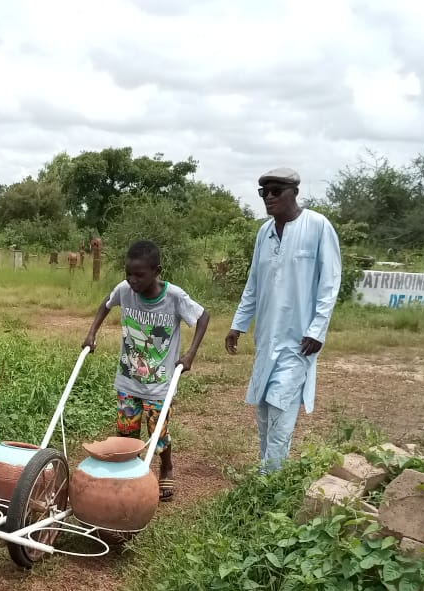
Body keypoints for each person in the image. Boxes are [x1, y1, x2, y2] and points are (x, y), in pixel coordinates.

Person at [225, 167, 342, 472]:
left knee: (281, 405)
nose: (270, 197)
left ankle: (270, 477)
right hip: (267, 337)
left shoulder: (317, 226)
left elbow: (330, 282)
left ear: (295, 193)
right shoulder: (264, 233)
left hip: (299, 340)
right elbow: (253, 282)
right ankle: (268, 472)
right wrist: (238, 324)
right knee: (264, 406)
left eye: (277, 191)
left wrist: (317, 329)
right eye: (265, 192)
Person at [82, 239, 209, 501]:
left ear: (156, 271)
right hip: (128, 379)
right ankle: (132, 473)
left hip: (159, 385)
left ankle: (166, 466)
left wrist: (190, 354)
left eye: (139, 275)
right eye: (128, 273)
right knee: (126, 432)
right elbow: (105, 304)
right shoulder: (124, 290)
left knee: (157, 433)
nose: (132, 280)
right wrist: (91, 333)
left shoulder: (174, 297)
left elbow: (203, 316)